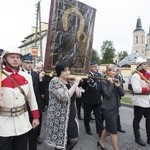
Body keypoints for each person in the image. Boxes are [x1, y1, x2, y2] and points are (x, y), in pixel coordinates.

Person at [0, 49, 40, 150]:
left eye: (18, 57)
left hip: (22, 120)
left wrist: (35, 117)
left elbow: (31, 98)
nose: (15, 60)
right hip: (3, 122)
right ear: (5, 59)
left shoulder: (27, 76)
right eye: (12, 57)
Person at [45, 60, 82, 150]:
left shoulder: (69, 82)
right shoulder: (55, 81)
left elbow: (79, 95)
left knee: (74, 139)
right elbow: (64, 97)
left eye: (69, 70)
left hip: (71, 115)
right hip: (60, 117)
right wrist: (76, 83)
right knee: (61, 142)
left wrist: (74, 84)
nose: (67, 72)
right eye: (64, 70)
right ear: (59, 71)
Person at [98, 64, 125, 150]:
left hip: (115, 107)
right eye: (113, 71)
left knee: (108, 127)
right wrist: (111, 83)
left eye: (116, 71)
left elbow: (123, 94)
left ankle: (101, 141)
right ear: (108, 71)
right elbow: (107, 94)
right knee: (113, 131)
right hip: (108, 109)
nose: (115, 72)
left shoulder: (116, 79)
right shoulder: (103, 81)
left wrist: (118, 85)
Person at [21, 53, 44, 149]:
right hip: (23, 107)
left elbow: (41, 91)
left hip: (35, 106)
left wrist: (41, 79)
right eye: (27, 62)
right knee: (22, 133)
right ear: (22, 63)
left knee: (34, 132)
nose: (30, 64)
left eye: (31, 62)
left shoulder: (36, 74)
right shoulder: (19, 74)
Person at [131, 57, 150, 146]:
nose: (146, 65)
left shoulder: (148, 74)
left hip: (148, 101)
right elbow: (136, 89)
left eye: (146, 63)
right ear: (139, 66)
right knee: (137, 120)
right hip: (139, 101)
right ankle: (137, 137)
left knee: (149, 120)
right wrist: (147, 89)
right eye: (144, 64)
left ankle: (149, 137)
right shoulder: (135, 76)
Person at [82, 61, 104, 136]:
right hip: (88, 100)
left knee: (98, 117)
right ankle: (87, 129)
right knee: (87, 116)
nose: (96, 68)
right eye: (94, 66)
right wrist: (86, 81)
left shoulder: (98, 75)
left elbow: (100, 86)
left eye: (96, 66)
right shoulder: (86, 75)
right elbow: (83, 87)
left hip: (97, 100)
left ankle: (100, 132)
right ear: (90, 67)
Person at [115, 69, 126, 133]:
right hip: (112, 99)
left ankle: (118, 127)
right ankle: (101, 126)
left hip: (118, 96)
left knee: (117, 113)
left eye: (119, 70)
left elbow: (121, 85)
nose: (119, 71)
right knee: (104, 115)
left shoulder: (120, 76)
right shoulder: (113, 77)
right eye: (117, 70)